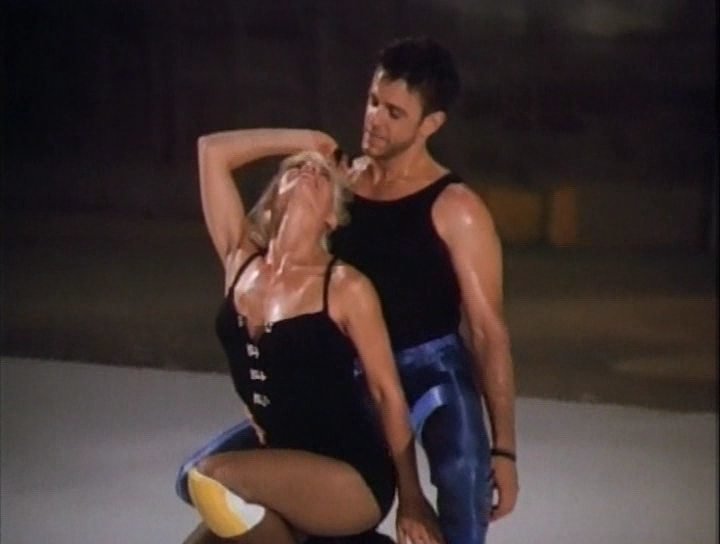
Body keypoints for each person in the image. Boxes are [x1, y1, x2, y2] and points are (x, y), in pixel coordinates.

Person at [179, 127, 442, 544]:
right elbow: (211, 151)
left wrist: (412, 497)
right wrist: (306, 140)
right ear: (273, 199)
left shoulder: (346, 287)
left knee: (211, 478)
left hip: (349, 476)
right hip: (277, 463)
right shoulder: (240, 261)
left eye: (322, 174)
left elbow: (386, 394)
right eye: (295, 168)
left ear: (332, 217)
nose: (309, 171)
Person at [329, 36, 519, 543]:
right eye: (374, 101)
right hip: (352, 367)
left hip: (431, 367)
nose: (375, 119)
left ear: (430, 124)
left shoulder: (456, 207)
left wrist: (504, 449)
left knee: (463, 471)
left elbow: (488, 331)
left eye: (394, 112)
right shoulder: (337, 186)